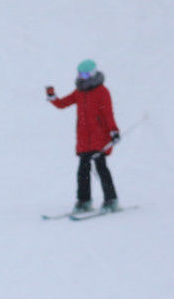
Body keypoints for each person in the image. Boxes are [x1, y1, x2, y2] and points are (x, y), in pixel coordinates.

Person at [47, 59, 121, 213]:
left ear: (93, 74)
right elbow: (63, 103)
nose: (82, 77)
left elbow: (108, 114)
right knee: (82, 171)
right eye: (80, 74)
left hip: (99, 139)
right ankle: (84, 201)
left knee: (101, 169)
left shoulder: (102, 91)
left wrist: (114, 131)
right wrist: (52, 96)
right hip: (83, 140)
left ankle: (111, 200)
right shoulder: (79, 92)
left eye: (86, 74)